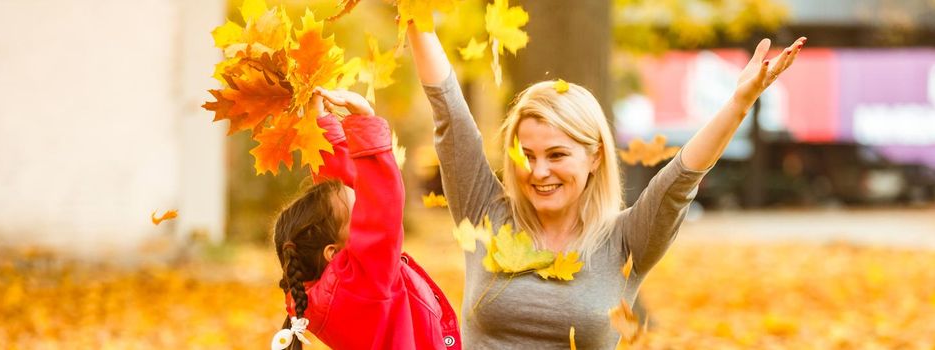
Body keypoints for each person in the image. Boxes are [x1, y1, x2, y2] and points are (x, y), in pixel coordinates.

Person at [408, 22, 805, 348]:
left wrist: (739, 103)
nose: (539, 170)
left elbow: (683, 176)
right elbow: (450, 113)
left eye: (557, 155)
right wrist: (415, 15)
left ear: (595, 156)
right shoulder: (484, 211)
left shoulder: (627, 240)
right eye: (526, 155)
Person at [269, 88, 461, 350]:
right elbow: (381, 208)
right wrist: (364, 120)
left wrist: (320, 124)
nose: (364, 202)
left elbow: (340, 195)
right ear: (332, 252)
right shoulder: (365, 280)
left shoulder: (331, 287)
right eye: (359, 207)